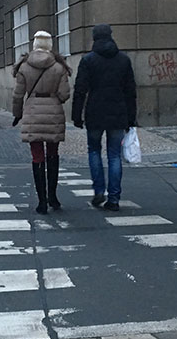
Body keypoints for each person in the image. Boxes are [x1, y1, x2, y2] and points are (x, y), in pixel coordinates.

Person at [71, 23, 136, 212]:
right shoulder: (123, 60)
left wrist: (77, 115)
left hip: (95, 112)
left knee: (94, 151)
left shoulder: (88, 60)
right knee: (114, 155)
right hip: (118, 112)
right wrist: (131, 117)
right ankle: (114, 198)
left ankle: (99, 190)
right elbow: (130, 91)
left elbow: (80, 90)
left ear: (94, 38)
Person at [13, 31, 71, 213]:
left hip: (32, 111)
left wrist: (17, 114)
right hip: (53, 111)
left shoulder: (24, 66)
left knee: (37, 155)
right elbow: (64, 94)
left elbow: (18, 95)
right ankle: (53, 197)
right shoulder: (59, 67)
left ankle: (42, 201)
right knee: (53, 154)